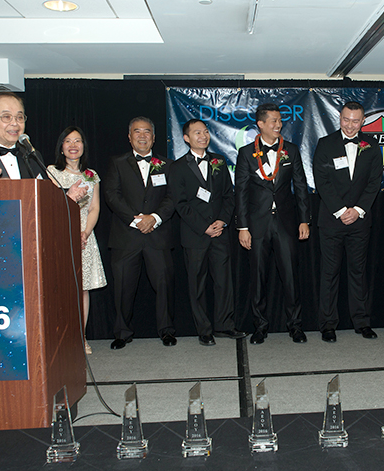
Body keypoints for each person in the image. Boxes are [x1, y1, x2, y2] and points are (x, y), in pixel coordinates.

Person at [235, 103, 310, 345]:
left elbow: (301, 187)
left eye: (280, 120)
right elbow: (241, 193)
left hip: (286, 223)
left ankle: (295, 326)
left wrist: (304, 220)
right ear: (261, 124)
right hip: (257, 224)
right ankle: (260, 327)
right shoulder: (246, 153)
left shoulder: (291, 150)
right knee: (258, 277)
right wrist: (243, 227)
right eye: (273, 121)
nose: (278, 124)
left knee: (290, 276)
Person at [104, 116, 177, 350]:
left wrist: (154, 218)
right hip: (127, 236)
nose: (142, 136)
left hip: (157, 235)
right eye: (137, 131)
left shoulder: (167, 165)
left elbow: (173, 197)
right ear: (129, 136)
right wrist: (137, 221)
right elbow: (112, 195)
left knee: (164, 285)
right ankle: (122, 333)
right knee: (123, 288)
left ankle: (167, 330)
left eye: (147, 132)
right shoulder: (117, 163)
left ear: (154, 137)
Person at [313, 101, 383, 342]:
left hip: (360, 221)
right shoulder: (325, 144)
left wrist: (358, 210)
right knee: (329, 273)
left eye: (355, 121)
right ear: (339, 118)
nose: (350, 125)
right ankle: (327, 325)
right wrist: (342, 210)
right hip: (332, 220)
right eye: (346, 120)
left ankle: (361, 322)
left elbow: (374, 181)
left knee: (358, 272)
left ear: (363, 121)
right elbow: (322, 180)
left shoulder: (371, 146)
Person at [172, 119, 246, 345]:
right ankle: (204, 329)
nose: (203, 136)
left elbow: (228, 195)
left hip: (220, 233)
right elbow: (180, 203)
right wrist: (204, 227)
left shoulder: (219, 161)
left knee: (224, 281)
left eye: (205, 131)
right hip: (195, 235)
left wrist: (222, 221)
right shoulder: (177, 167)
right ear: (186, 138)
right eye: (197, 133)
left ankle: (225, 325)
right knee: (197, 284)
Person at [0, 92, 86, 202]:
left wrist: (67, 196)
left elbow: (46, 196)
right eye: (6, 117)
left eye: (19, 117)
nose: (15, 123)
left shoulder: (31, 155)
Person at [47, 126, 108, 354]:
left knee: (83, 289)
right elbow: (50, 206)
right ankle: (60, 338)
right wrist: (70, 232)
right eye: (68, 141)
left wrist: (85, 233)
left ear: (84, 146)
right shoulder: (51, 172)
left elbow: (94, 208)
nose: (73, 145)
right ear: (61, 147)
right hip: (60, 235)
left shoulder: (91, 175)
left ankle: (80, 338)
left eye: (78, 141)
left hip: (84, 237)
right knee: (60, 289)